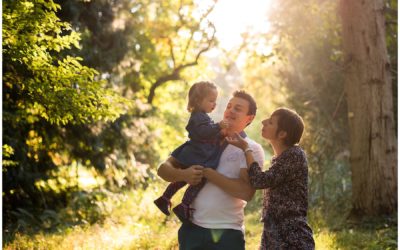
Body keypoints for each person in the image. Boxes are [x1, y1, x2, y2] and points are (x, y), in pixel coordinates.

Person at [158, 90, 265, 250]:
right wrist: (184, 174)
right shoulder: (203, 138)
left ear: (249, 118)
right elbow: (163, 169)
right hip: (192, 230)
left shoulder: (251, 149)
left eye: (238, 108)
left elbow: (246, 192)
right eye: (229, 106)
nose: (230, 110)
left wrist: (208, 173)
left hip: (228, 234)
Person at [226, 107, 315, 249]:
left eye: (271, 122)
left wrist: (246, 149)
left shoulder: (295, 155)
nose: (263, 122)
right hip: (274, 236)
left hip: (291, 239)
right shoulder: (281, 158)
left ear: (282, 134)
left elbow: (259, 180)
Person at [154, 81, 229, 222]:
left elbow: (209, 134)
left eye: (215, 101)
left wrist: (220, 134)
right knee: (198, 179)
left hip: (197, 152)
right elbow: (203, 132)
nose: (215, 104)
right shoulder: (198, 117)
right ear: (198, 101)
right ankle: (184, 205)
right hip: (198, 154)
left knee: (184, 179)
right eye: (211, 100)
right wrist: (218, 127)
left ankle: (165, 199)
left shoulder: (203, 116)